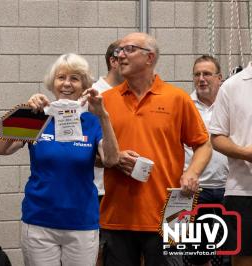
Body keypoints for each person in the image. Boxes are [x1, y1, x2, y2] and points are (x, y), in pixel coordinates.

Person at [0, 53, 119, 266]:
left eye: (74, 78)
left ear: (84, 86)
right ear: (52, 83)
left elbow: (111, 160)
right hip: (39, 221)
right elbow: (0, 148)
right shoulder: (36, 116)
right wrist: (24, 113)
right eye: (61, 77)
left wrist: (103, 116)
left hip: (82, 222)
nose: (67, 84)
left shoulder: (91, 121)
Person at [100, 32, 212, 266]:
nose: (120, 55)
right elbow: (91, 153)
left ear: (149, 57)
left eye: (128, 49)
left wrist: (192, 173)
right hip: (118, 215)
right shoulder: (105, 100)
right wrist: (112, 157)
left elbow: (203, 144)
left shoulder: (177, 99)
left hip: (170, 214)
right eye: (118, 51)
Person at [183, 55, 229, 266]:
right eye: (197, 74)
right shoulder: (183, 105)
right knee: (195, 257)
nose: (201, 79)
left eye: (207, 74)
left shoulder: (230, 104)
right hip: (193, 192)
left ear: (219, 78)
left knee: (229, 253)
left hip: (228, 190)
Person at [210, 61, 252, 266]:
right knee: (244, 258)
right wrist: (245, 153)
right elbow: (217, 137)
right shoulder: (232, 86)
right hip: (243, 191)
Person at [93, 39, 124, 202]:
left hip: (127, 184)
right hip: (100, 187)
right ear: (113, 61)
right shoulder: (93, 94)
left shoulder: (132, 95)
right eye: (124, 59)